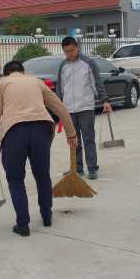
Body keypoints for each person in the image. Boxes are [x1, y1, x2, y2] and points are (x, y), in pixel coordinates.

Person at [0, 60, 77, 237]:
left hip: (14, 133)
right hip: (41, 130)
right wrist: (71, 134)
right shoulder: (36, 82)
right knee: (42, 175)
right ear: (23, 71)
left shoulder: (1, 84)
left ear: (6, 73)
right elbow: (59, 107)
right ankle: (47, 215)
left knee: (16, 180)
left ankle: (23, 225)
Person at [56, 36, 112, 180]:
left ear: (77, 48)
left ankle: (92, 168)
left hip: (86, 107)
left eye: (72, 50)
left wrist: (104, 100)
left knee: (88, 139)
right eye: (66, 51)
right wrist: (59, 106)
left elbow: (97, 83)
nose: (70, 54)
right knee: (73, 140)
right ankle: (77, 168)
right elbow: (60, 87)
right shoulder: (63, 66)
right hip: (69, 109)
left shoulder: (88, 63)